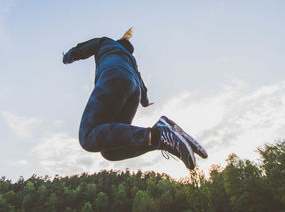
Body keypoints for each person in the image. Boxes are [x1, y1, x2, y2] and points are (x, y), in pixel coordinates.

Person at [62, 27, 207, 170]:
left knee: (88, 136)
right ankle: (163, 139)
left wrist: (67, 57)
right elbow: (141, 84)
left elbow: (83, 48)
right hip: (133, 91)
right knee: (111, 151)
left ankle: (160, 134)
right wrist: (144, 101)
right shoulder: (131, 59)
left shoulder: (105, 42)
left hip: (112, 77)